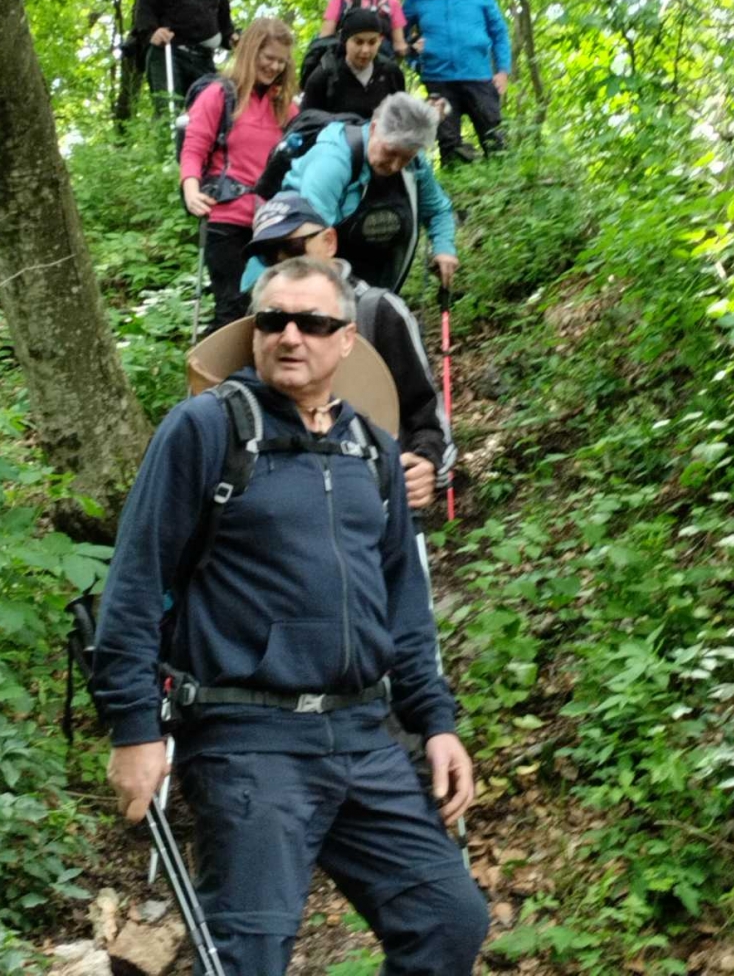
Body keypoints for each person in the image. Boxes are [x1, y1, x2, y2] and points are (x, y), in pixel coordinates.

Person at [92, 259, 488, 976]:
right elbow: (136, 582)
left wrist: (436, 722)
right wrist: (134, 730)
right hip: (249, 740)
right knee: (246, 956)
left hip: (364, 738)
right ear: (253, 334)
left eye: (314, 323)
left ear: (346, 343)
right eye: (273, 320)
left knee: (447, 917)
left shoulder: (372, 448)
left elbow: (403, 602)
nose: (291, 335)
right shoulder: (205, 430)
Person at [242, 192, 455, 510]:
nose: (283, 262)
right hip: (293, 510)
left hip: (382, 506)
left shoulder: (378, 311)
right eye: (269, 255)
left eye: (294, 248)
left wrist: (427, 464)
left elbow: (425, 410)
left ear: (329, 241)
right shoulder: (262, 322)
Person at [179, 17, 298, 331]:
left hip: (270, 223)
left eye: (280, 62)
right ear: (250, 51)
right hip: (226, 219)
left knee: (269, 308)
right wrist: (191, 189)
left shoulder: (285, 107)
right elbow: (194, 147)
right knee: (232, 307)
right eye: (268, 57)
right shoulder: (220, 95)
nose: (273, 67)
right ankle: (217, 377)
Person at [283, 92, 458, 294]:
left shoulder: (415, 165)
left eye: (405, 158)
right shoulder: (332, 161)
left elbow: (438, 210)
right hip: (299, 274)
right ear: (374, 128)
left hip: (371, 277)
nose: (395, 165)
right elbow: (312, 240)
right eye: (390, 152)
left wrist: (444, 248)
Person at [403, 0, 511, 166]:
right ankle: (460, 201)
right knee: (450, 147)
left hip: (479, 77)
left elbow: (499, 33)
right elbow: (397, 36)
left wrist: (503, 71)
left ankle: (508, 196)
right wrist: (413, 57)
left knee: (496, 141)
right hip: (438, 80)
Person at [302, 8, 406, 119]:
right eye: (359, 42)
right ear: (345, 41)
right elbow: (306, 124)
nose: (365, 50)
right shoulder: (324, 77)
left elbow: (402, 122)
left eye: (372, 42)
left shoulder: (391, 74)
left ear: (380, 40)